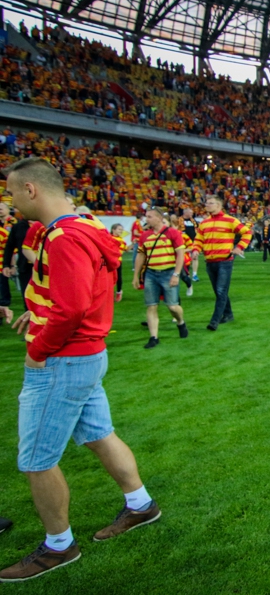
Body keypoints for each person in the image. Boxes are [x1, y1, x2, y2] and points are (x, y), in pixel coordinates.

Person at [0, 158, 160, 583]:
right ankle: (141, 505)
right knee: (98, 434)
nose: (11, 202)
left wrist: (39, 349)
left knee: (36, 459)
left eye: (12, 193)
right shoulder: (85, 226)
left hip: (64, 358)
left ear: (31, 189)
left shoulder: (63, 236)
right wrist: (38, 311)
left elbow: (71, 308)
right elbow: (77, 295)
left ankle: (59, 545)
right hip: (86, 353)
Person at [192, 194, 251, 331]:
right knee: (220, 291)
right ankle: (228, 314)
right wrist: (195, 250)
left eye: (210, 203)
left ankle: (214, 321)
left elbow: (247, 232)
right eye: (206, 203)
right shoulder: (204, 223)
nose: (207, 205)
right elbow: (199, 239)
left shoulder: (230, 220)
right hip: (210, 261)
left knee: (220, 291)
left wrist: (239, 247)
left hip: (224, 261)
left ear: (218, 205)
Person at [133, 208, 188, 348]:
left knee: (173, 306)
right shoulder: (145, 235)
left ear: (159, 218)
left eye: (149, 217)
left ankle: (181, 322)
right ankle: (154, 337)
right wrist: (136, 275)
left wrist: (176, 274)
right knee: (151, 305)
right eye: (146, 216)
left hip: (168, 272)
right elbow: (141, 255)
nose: (146, 219)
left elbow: (180, 254)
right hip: (151, 273)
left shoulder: (172, 233)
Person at [181, 207, 200, 281]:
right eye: (190, 212)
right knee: (184, 258)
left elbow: (197, 229)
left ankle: (195, 274)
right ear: (185, 213)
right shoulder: (179, 220)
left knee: (195, 257)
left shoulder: (193, 221)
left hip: (193, 241)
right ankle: (185, 274)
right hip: (183, 242)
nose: (192, 214)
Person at [110, 223, 127, 302]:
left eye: (122, 230)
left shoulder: (122, 240)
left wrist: (133, 243)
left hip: (118, 261)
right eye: (119, 229)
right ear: (113, 230)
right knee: (109, 278)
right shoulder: (108, 238)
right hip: (109, 261)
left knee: (118, 277)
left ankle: (119, 292)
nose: (121, 231)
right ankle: (110, 293)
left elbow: (125, 249)